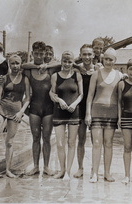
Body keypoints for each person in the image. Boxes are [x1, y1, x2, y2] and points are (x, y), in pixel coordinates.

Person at [85, 48, 123, 183]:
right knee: (96, 143)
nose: (108, 62)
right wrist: (88, 114)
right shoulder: (96, 74)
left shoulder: (120, 75)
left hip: (111, 114)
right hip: (96, 112)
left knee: (108, 143)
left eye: (111, 59)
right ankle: (94, 173)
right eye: (106, 59)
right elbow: (89, 95)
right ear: (103, 59)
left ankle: (107, 173)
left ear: (115, 61)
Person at [22, 41, 60, 176]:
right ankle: (36, 166)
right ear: (32, 53)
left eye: (41, 53)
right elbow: (21, 65)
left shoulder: (51, 68)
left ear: (45, 54)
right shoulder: (28, 70)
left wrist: (47, 64)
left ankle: (47, 167)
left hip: (48, 108)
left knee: (47, 138)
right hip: (35, 109)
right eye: (36, 53)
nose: (38, 56)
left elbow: (61, 63)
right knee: (36, 137)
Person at [0, 54, 30, 178]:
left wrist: (21, 112)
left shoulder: (25, 79)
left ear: (20, 64)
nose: (15, 66)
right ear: (9, 64)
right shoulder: (4, 78)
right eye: (12, 63)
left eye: (17, 63)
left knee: (9, 142)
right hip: (2, 109)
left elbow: (28, 98)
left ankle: (7, 169)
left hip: (16, 112)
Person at [50, 51, 83, 180]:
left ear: (73, 62)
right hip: (59, 112)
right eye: (65, 61)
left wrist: (74, 104)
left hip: (73, 112)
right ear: (61, 61)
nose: (67, 64)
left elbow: (81, 94)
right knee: (59, 143)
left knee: (71, 142)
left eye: (70, 62)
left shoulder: (77, 76)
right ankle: (62, 169)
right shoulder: (55, 76)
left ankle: (68, 172)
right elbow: (52, 94)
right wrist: (60, 100)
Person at [73, 44, 96, 178]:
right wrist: (78, 64)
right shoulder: (77, 71)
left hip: (94, 108)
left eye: (89, 54)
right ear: (80, 55)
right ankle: (80, 168)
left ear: (93, 55)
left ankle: (94, 168)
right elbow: (64, 61)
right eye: (84, 54)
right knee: (80, 140)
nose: (87, 57)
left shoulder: (98, 70)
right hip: (80, 108)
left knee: (95, 141)